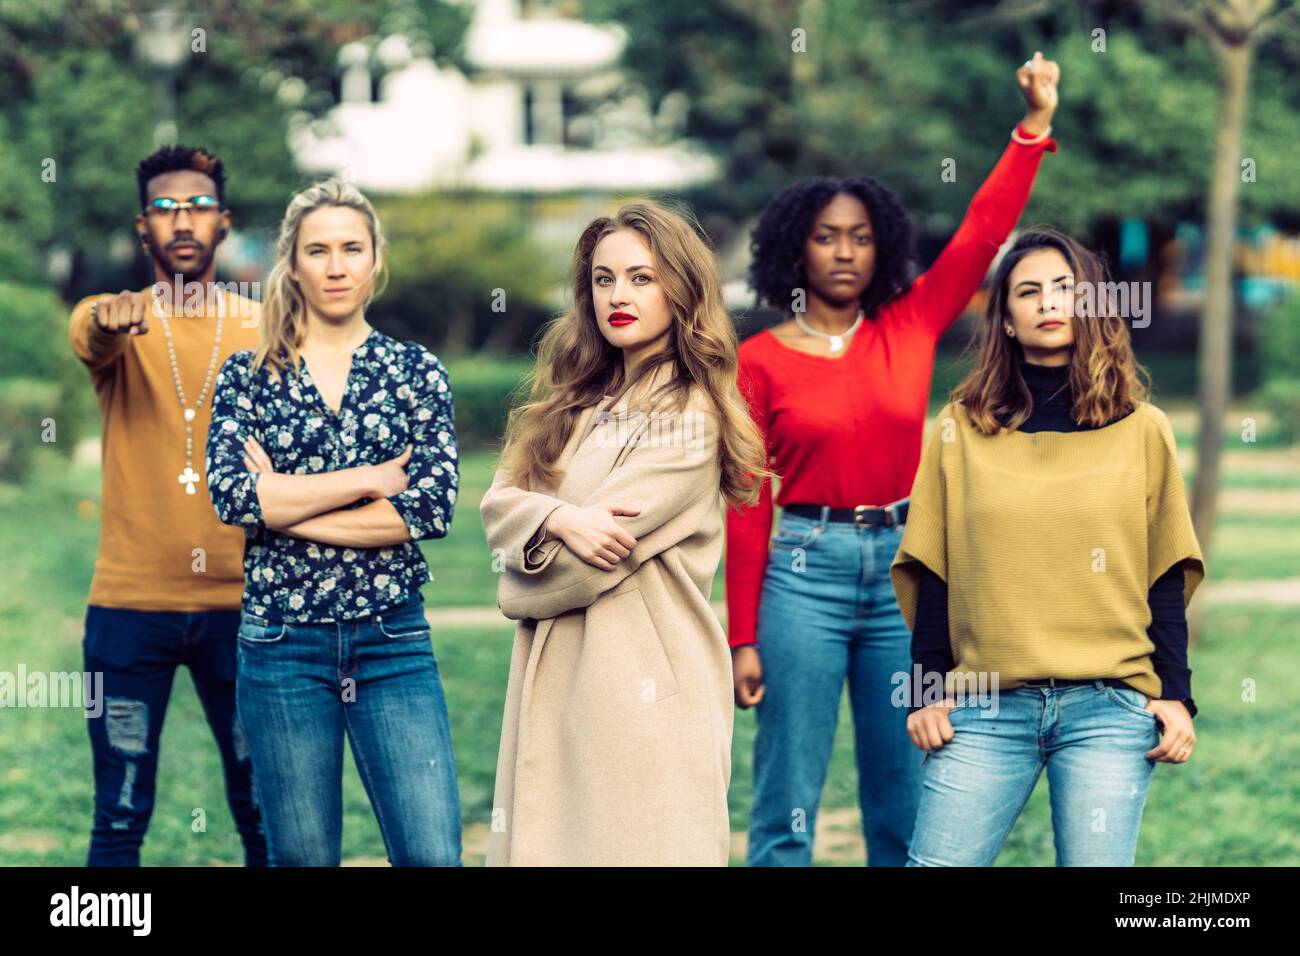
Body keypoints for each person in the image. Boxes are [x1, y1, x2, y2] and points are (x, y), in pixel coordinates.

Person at [728, 53, 1062, 866]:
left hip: (901, 574)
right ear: (794, 251)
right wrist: (741, 634)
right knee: (786, 796)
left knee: (905, 791)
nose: (844, 252)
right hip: (799, 574)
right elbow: (745, 501)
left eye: (861, 237)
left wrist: (1033, 128)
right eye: (825, 237)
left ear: (883, 249)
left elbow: (985, 231)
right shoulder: (758, 360)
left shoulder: (910, 324)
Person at [890, 227, 1205, 867]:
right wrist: (927, 690)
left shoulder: (1145, 430)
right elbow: (934, 568)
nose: (1047, 302)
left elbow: (1164, 575)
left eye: (1064, 288)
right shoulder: (960, 429)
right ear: (1004, 320)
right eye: (1028, 292)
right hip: (983, 704)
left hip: (1110, 706)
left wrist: (1176, 693)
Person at [479, 201, 772, 865]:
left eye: (642, 278)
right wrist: (557, 517)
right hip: (554, 679)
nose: (619, 295)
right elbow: (499, 508)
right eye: (603, 278)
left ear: (682, 290)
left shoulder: (688, 418)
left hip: (642, 691)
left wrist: (518, 570)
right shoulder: (569, 404)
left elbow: (579, 570)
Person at [205, 177, 462, 866]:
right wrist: (370, 482)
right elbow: (232, 496)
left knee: (432, 854)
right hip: (280, 643)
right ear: (292, 263)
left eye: (353, 247)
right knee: (304, 858)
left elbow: (429, 509)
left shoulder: (415, 373)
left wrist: (282, 504)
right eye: (319, 250)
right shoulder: (246, 376)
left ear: (377, 257)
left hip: (392, 637)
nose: (338, 265)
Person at [68, 144, 267, 866]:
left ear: (223, 222)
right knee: (118, 816)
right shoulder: (110, 316)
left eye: (198, 205)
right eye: (164, 208)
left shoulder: (265, 325)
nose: (182, 220)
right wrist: (111, 324)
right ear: (141, 227)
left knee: (265, 815)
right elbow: (92, 337)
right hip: (129, 608)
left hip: (250, 609)